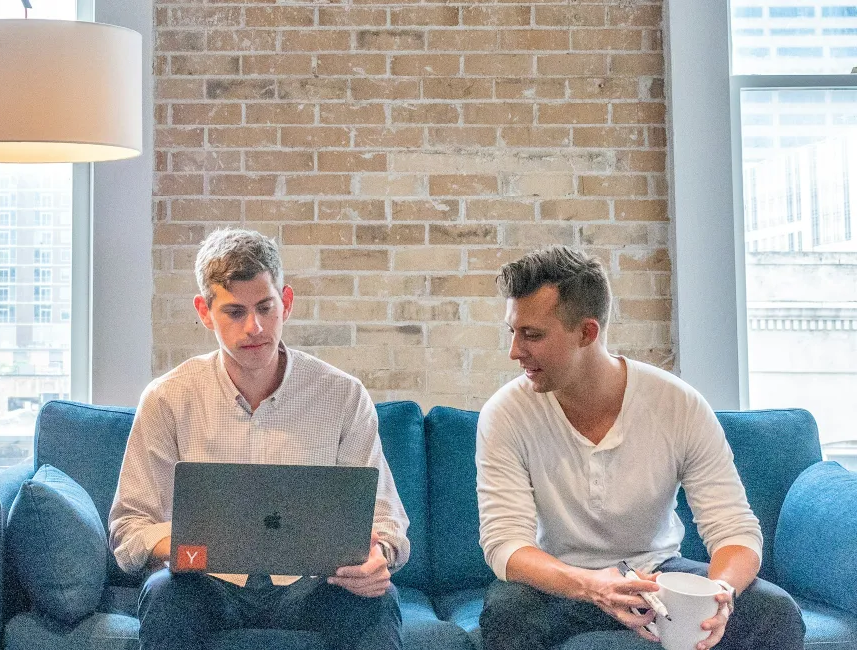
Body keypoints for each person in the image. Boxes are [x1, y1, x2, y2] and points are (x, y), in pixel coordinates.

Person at [476, 246, 804, 650]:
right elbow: (505, 544)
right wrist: (592, 585)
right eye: (513, 331)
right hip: (562, 582)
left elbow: (734, 529)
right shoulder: (506, 413)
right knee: (507, 611)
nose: (514, 351)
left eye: (532, 335)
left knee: (775, 610)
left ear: (587, 332)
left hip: (656, 575)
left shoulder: (678, 404)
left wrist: (719, 595)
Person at [109, 228, 410, 650]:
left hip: (314, 586)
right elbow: (128, 528)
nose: (255, 327)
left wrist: (378, 558)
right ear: (204, 312)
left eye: (266, 308)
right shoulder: (167, 397)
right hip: (205, 584)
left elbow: (387, 521)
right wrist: (192, 542)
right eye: (234, 312)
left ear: (286, 302)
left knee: (378, 600)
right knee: (164, 594)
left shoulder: (341, 394)